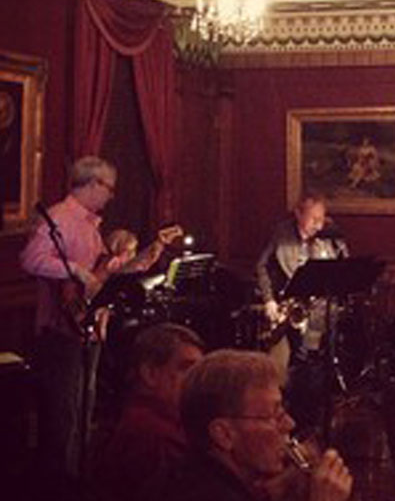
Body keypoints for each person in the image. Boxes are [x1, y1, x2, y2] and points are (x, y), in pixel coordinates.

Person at [19, 155, 119, 484]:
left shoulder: (91, 225)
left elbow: (97, 275)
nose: (111, 195)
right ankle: (57, 484)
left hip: (85, 328)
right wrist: (75, 270)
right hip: (60, 330)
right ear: (91, 184)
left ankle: (76, 477)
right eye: (108, 187)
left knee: (82, 410)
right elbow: (31, 259)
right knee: (63, 415)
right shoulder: (61, 217)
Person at [151, 349, 352, 501]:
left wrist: (276, 491)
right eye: (275, 415)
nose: (290, 424)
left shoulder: (199, 474)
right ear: (224, 435)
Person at [255, 194, 347, 428]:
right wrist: (269, 300)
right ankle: (295, 416)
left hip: (321, 311)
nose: (318, 224)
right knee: (297, 363)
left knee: (315, 364)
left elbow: (343, 265)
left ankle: (312, 416)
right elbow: (262, 265)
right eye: (313, 218)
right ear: (298, 213)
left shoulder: (329, 235)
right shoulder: (282, 233)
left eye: (322, 218)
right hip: (292, 306)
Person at [95, 323, 204, 501]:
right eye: (187, 369)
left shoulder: (151, 423)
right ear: (150, 374)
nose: (198, 381)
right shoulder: (155, 437)